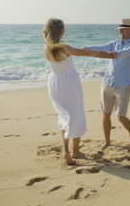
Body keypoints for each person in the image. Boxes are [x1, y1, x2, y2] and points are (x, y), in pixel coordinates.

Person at [43, 18, 117, 165]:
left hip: (55, 83)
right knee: (76, 114)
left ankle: (65, 151)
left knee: (64, 116)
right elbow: (87, 53)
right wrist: (109, 55)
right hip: (70, 83)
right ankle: (75, 151)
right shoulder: (64, 48)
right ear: (62, 31)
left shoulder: (46, 48)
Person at [84, 18, 130, 150]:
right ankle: (107, 141)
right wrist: (85, 50)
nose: (121, 31)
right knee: (106, 114)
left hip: (123, 85)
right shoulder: (115, 43)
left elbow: (119, 54)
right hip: (107, 83)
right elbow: (100, 47)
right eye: (120, 29)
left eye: (124, 29)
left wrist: (100, 55)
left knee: (121, 116)